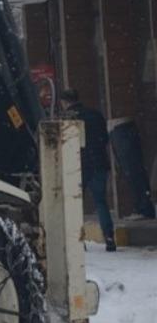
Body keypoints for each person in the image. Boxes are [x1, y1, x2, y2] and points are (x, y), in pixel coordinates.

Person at [61, 89, 116, 252]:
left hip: (78, 165)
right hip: (99, 163)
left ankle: (78, 241)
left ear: (64, 102)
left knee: (75, 204)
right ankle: (109, 237)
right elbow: (105, 139)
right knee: (101, 202)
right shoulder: (95, 114)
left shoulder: (67, 118)